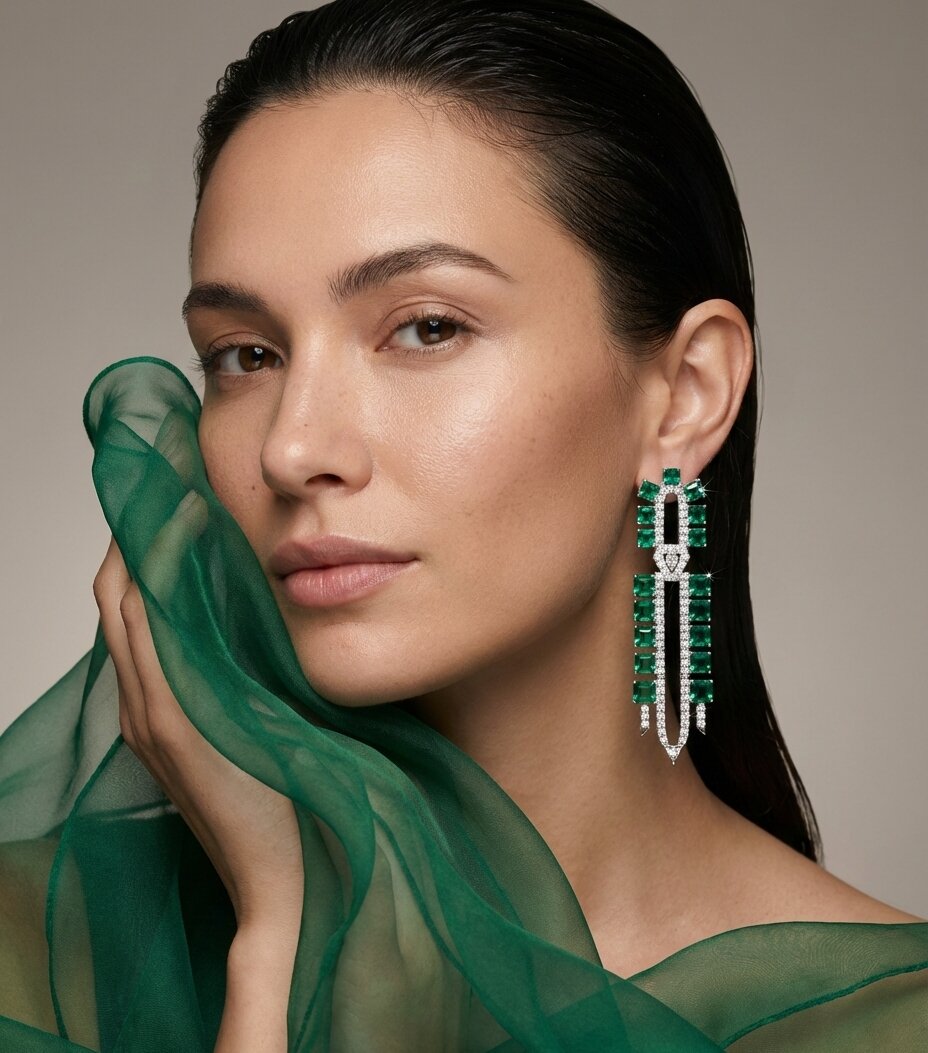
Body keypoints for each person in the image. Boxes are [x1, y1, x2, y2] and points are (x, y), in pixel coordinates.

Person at [1, 1, 925, 1050]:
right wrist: (277, 949)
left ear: (682, 397)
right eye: (246, 355)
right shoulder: (30, 951)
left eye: (426, 328)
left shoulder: (888, 1023)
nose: (291, 450)